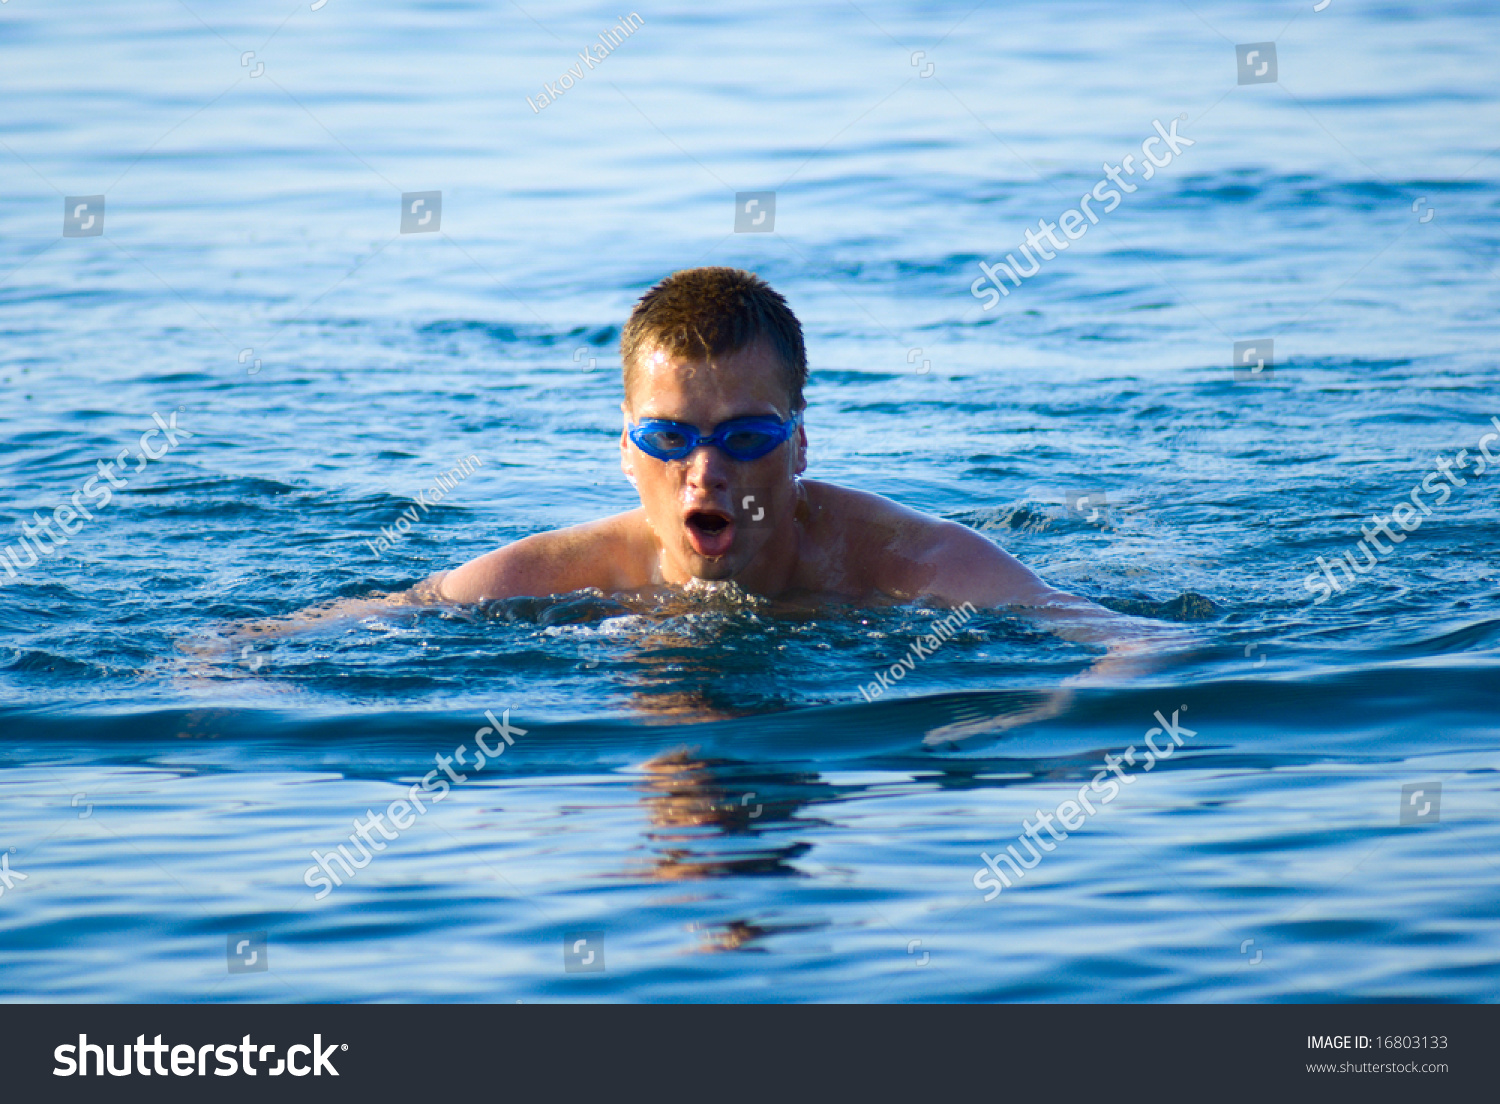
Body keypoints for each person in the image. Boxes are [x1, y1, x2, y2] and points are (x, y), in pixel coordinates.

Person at [441, 266, 1080, 612]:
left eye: (745, 436)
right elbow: (358, 630)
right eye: (669, 437)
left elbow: (1127, 643)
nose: (705, 470)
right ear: (628, 448)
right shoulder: (549, 577)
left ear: (799, 443)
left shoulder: (901, 561)